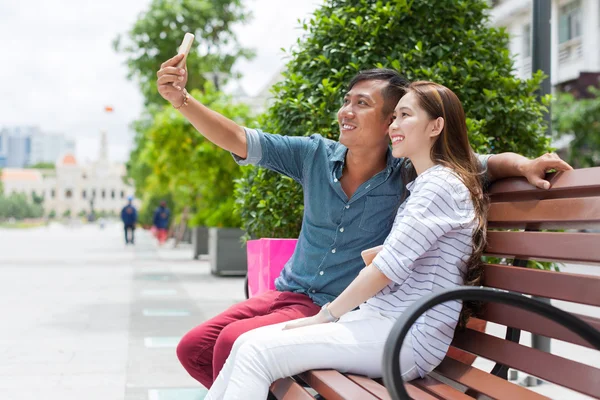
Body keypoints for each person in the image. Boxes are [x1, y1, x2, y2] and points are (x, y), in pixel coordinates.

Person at [156, 53, 572, 389]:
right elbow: (240, 139)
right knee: (195, 346)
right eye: (347, 101)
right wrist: (182, 101)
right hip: (293, 294)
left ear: (393, 120)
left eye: (363, 105)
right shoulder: (314, 155)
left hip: (349, 310)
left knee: (238, 344)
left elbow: (479, 163)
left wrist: (525, 163)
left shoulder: (413, 173)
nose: (345, 112)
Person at [204, 80, 487, 399]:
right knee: (246, 343)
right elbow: (405, 256)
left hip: (405, 336)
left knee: (258, 352)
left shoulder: (438, 186)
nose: (394, 125)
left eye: (405, 115)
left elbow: (384, 270)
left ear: (436, 126)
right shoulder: (428, 185)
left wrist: (324, 316)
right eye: (393, 117)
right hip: (381, 323)